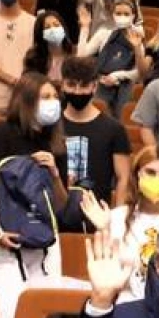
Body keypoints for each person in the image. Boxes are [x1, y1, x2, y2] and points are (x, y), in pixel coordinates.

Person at [0, 72, 70, 318]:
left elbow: (61, 204)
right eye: (45, 97)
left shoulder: (57, 143)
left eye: (55, 97)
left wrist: (54, 174)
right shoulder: (1, 134)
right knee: (10, 316)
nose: (53, 102)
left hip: (45, 243)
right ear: (27, 101)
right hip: (6, 237)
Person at [78, 145, 159, 306]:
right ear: (137, 175)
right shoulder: (117, 217)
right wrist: (104, 229)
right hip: (130, 307)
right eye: (150, 172)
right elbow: (108, 276)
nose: (157, 179)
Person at [58, 55, 131, 209]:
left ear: (94, 86)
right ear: (62, 85)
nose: (77, 92)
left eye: (84, 85)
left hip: (97, 214)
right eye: (71, 85)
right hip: (55, 214)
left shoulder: (114, 129)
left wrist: (117, 217)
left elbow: (123, 178)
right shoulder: (51, 126)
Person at [22, 9, 73, 81]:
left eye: (56, 25)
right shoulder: (34, 59)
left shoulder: (74, 54)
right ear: (41, 33)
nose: (53, 30)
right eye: (47, 27)